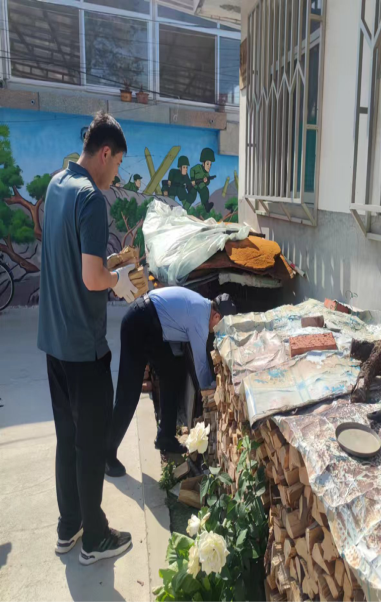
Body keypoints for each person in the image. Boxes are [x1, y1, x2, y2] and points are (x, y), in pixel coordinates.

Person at [38, 112, 137, 566]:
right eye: (116, 164)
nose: (115, 174)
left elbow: (70, 258)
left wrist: (107, 268)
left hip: (53, 342)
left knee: (68, 439)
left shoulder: (56, 185)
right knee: (92, 445)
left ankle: (69, 526)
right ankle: (95, 538)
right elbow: (93, 277)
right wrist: (120, 280)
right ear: (105, 153)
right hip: (84, 347)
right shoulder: (92, 199)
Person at [105, 289, 237, 477]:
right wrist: (211, 393)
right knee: (129, 393)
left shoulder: (202, 306)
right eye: (221, 325)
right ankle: (106, 454)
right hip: (138, 323)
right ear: (216, 316)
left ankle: (165, 438)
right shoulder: (200, 320)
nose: (218, 330)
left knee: (170, 374)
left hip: (151, 324)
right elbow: (201, 365)